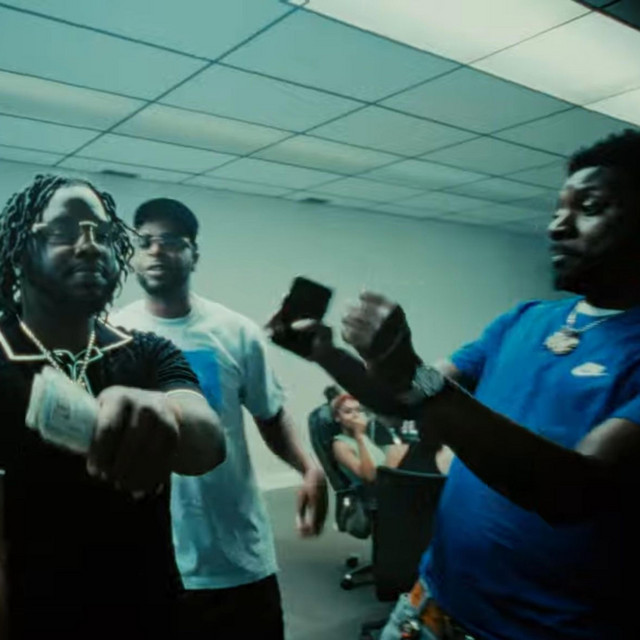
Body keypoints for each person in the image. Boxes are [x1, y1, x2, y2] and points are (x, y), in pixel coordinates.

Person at [269, 129, 640, 639]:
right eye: (558, 208)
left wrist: (412, 375)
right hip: (432, 604)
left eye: (590, 207)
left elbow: (572, 491)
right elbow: (410, 398)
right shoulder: (524, 319)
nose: (557, 225)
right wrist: (328, 354)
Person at [0, 175, 226, 638]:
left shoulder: (148, 351)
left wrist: (166, 415)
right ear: (20, 252)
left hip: (150, 612)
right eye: (64, 231)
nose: (90, 246)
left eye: (102, 234)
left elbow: (208, 443)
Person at [112, 198, 328, 639]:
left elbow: (270, 414)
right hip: (150, 555)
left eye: (171, 241)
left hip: (236, 555)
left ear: (194, 254)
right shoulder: (113, 333)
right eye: (145, 241)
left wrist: (307, 466)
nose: (156, 250)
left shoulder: (236, 332)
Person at [331, 393, 409, 483]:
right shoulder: (340, 445)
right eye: (348, 412)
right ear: (337, 417)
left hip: (393, 477)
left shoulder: (366, 436)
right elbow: (370, 477)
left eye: (359, 410)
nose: (356, 415)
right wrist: (359, 436)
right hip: (379, 485)